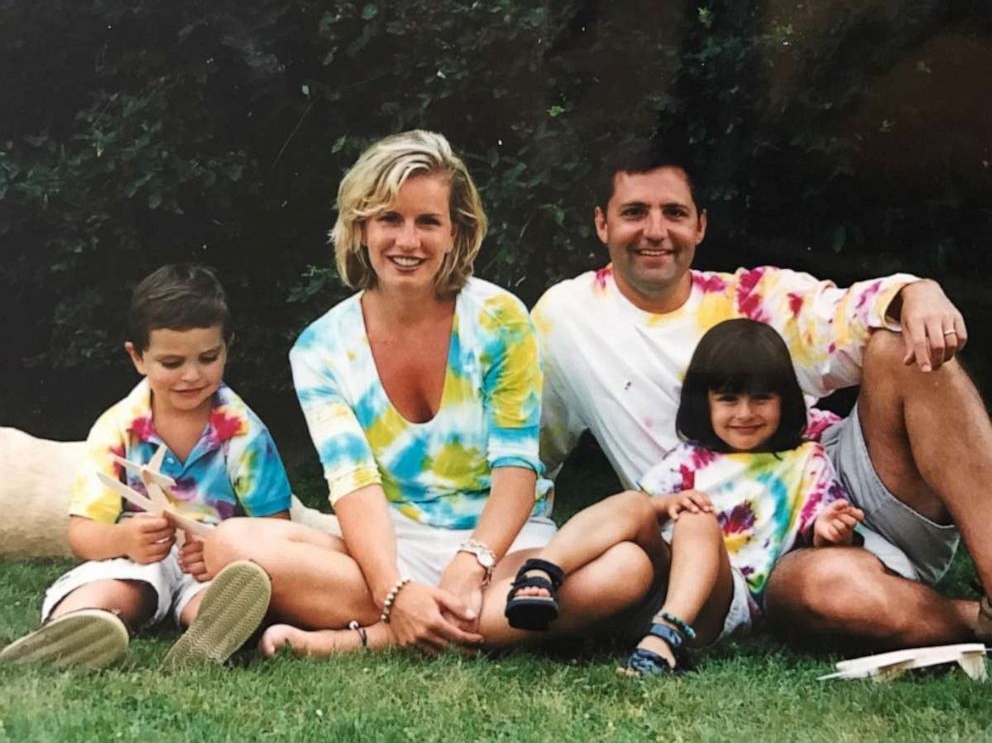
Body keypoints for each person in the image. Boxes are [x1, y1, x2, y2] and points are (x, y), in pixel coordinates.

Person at [204, 130, 652, 658]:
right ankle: (431, 626)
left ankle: (368, 641)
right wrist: (393, 591)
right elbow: (354, 485)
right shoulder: (320, 349)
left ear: (456, 231)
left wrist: (472, 563)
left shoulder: (500, 320)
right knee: (228, 545)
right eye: (390, 219)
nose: (408, 242)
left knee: (626, 568)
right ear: (360, 228)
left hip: (502, 548)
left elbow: (516, 467)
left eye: (428, 221)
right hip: (390, 547)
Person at [533, 138, 992, 649]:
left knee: (900, 339)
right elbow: (526, 449)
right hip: (744, 557)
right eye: (635, 212)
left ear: (700, 225)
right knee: (826, 590)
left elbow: (848, 312)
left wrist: (916, 291)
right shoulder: (568, 318)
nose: (655, 231)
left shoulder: (752, 298)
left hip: (833, 490)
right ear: (602, 224)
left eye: (675, 213)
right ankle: (975, 619)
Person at [506, 319, 863, 674]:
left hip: (722, 602)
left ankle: (665, 639)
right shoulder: (691, 456)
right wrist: (664, 504)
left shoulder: (803, 462)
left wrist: (830, 531)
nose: (744, 413)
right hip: (656, 577)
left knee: (696, 518)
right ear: (704, 402)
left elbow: (819, 533)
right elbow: (644, 513)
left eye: (761, 399)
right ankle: (541, 573)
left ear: (784, 400)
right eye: (728, 399)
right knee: (634, 503)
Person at [0, 264, 294, 671]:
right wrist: (124, 539)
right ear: (137, 357)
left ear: (228, 346)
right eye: (172, 363)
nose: (192, 375)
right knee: (122, 589)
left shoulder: (243, 432)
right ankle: (78, 625)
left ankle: (212, 633)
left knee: (222, 595)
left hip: (211, 562)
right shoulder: (118, 427)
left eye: (208, 358)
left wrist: (224, 551)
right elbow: (81, 534)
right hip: (139, 557)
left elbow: (277, 529)